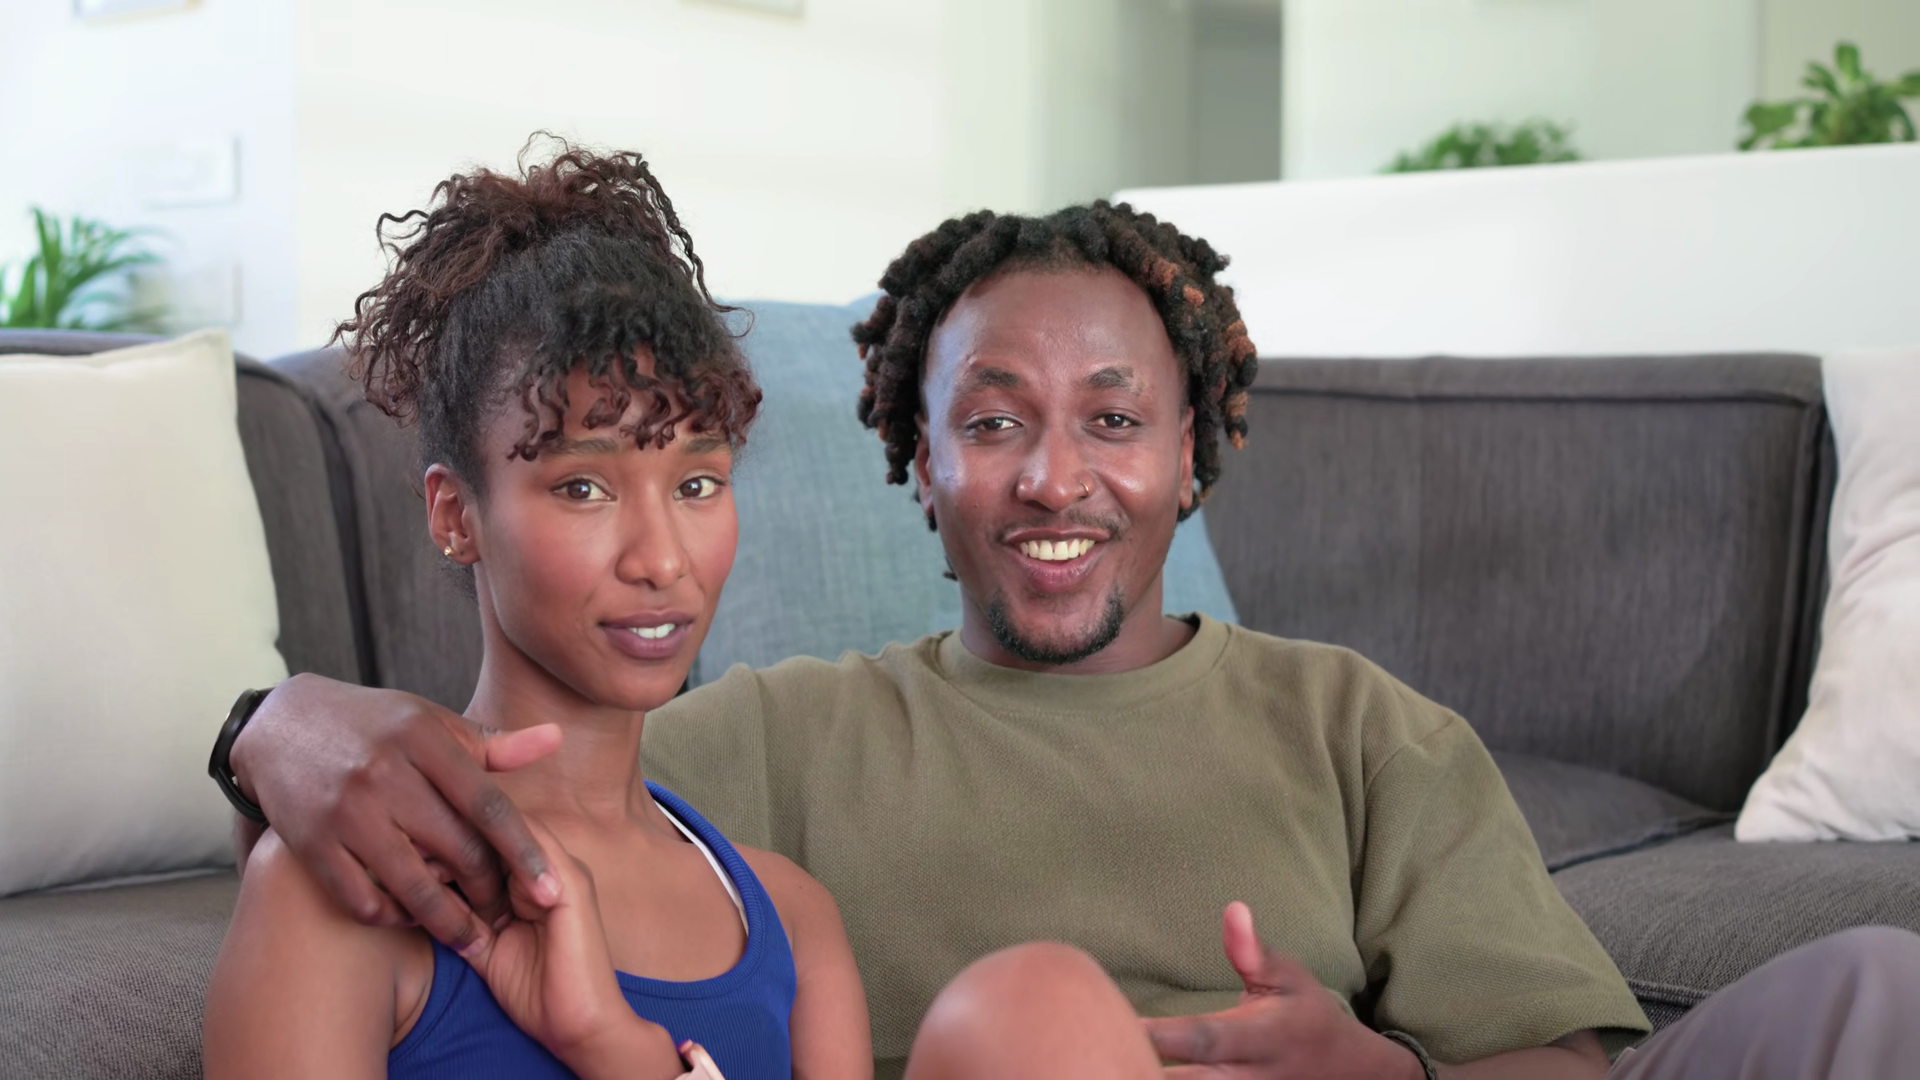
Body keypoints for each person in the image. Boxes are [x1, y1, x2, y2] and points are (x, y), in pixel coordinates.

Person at [217, 201, 1920, 1080]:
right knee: (1035, 1010)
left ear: (1192, 455)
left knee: (1873, 987)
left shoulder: (1359, 728)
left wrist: (1380, 1070)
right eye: (992, 422)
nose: (1052, 476)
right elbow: (497, 802)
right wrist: (266, 724)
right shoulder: (777, 742)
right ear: (920, 464)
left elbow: (1565, 1062)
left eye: (1113, 419)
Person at [201, 144, 1175, 1080]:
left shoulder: (788, 918)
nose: (662, 559)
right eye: (584, 487)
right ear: (457, 516)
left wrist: (615, 1048)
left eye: (698, 483)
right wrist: (269, 728)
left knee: (1037, 1004)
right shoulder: (352, 888)